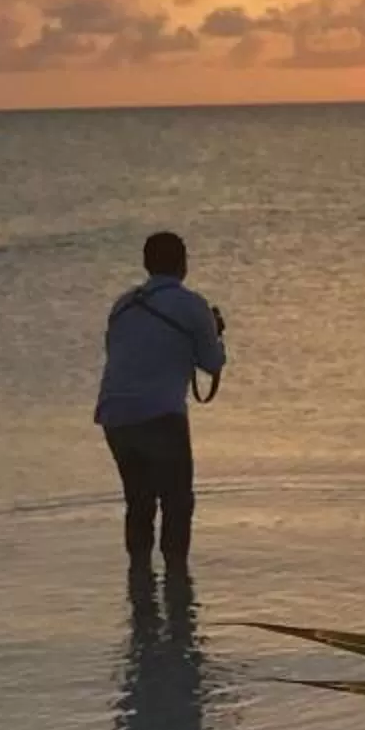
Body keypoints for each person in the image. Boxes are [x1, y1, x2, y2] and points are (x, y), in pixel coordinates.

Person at [93, 230, 225, 571]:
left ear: (146, 264)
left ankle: (140, 587)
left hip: (115, 414)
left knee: (138, 501)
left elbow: (119, 352)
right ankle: (178, 585)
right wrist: (214, 332)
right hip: (161, 415)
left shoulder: (122, 305)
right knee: (177, 502)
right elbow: (212, 363)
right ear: (183, 265)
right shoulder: (192, 306)